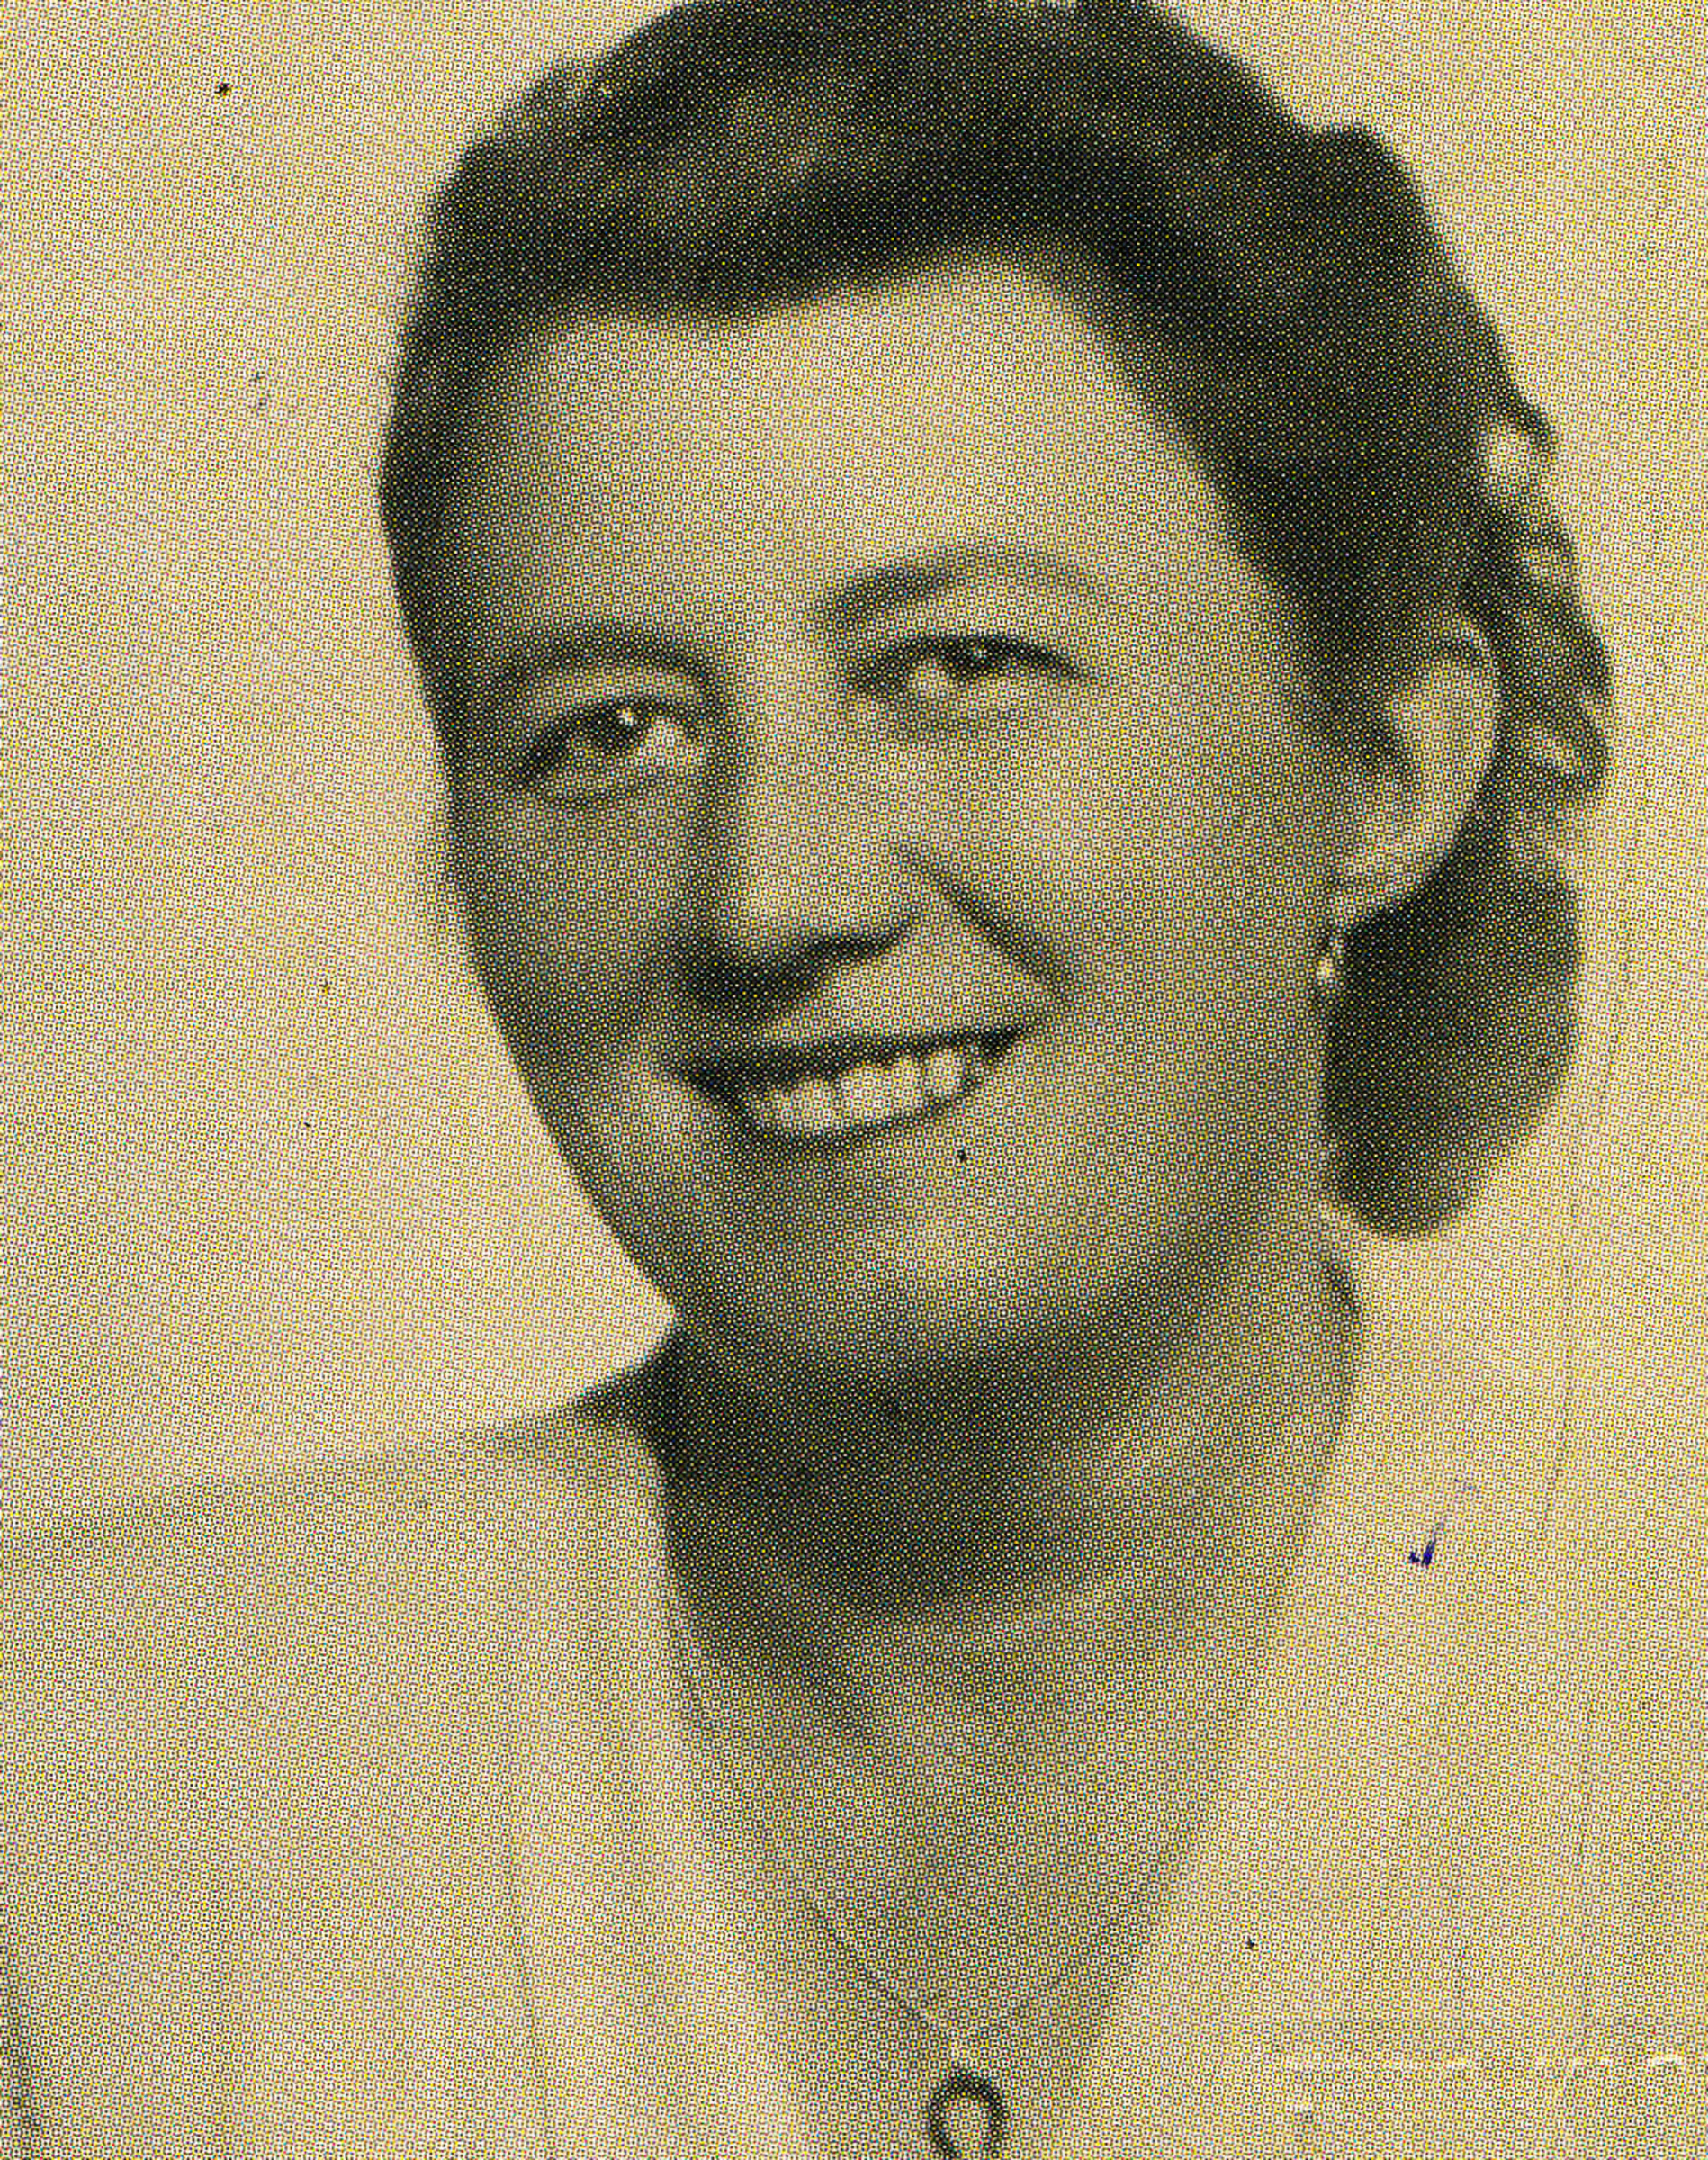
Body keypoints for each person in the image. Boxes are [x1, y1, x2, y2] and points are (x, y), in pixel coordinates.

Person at [8, 0, 1684, 2152]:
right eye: (609, 729)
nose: (767, 894)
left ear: (1380, 770)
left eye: (958, 666)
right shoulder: (86, 1797)